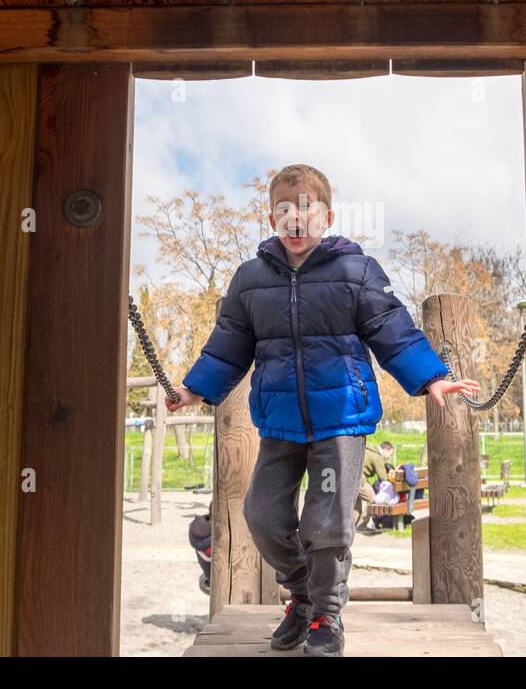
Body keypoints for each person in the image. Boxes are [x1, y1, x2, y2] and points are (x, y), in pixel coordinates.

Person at [166, 164, 478, 656]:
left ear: (327, 215)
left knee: (326, 521)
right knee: (262, 515)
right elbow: (227, 346)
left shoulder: (355, 271)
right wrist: (193, 391)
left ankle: (326, 617)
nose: (296, 217)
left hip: (341, 420)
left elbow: (391, 328)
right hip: (280, 423)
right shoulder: (250, 280)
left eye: (306, 206)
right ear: (272, 218)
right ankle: (304, 594)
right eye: (284, 209)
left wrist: (431, 376)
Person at [356, 440, 394, 531]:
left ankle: (354, 526)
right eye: (390, 454)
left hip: (352, 478)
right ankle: (361, 526)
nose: (389, 457)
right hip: (359, 479)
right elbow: (383, 478)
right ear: (386, 450)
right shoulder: (378, 456)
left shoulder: (369, 449)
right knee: (372, 499)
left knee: (356, 503)